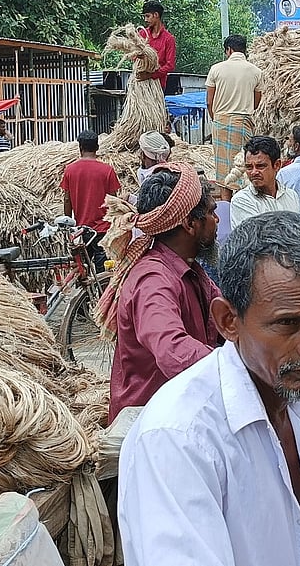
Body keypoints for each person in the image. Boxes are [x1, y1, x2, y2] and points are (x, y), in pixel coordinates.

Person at [118, 211, 300, 566]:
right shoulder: (179, 439)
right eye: (288, 323)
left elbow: (298, 548)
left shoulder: (294, 402)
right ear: (229, 321)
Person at [98, 163, 221, 423]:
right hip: (152, 424)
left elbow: (225, 314)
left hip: (181, 411)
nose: (217, 220)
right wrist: (235, 369)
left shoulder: (190, 269)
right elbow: (171, 348)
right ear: (189, 223)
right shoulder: (153, 280)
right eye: (212, 212)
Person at [206, 35, 263, 192]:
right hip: (243, 122)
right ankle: (243, 199)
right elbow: (256, 101)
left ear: (229, 50)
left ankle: (226, 203)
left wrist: (216, 118)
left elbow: (209, 101)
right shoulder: (256, 71)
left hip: (221, 121)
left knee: (223, 170)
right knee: (243, 165)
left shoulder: (216, 69)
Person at [61, 131, 121, 272]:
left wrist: (68, 224)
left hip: (81, 231)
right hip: (103, 230)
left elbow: (67, 199)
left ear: (80, 147)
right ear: (97, 147)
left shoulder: (70, 170)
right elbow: (114, 201)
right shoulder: (107, 170)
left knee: (83, 272)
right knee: (104, 274)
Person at [230, 136, 299, 230]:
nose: (254, 172)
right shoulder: (242, 200)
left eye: (260, 166)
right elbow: (254, 237)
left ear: (277, 165)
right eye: (249, 167)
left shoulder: (291, 196)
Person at [138, 0, 177, 89]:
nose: (145, 20)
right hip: (140, 84)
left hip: (158, 86)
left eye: (148, 16)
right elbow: (133, 55)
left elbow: (170, 65)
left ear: (156, 15)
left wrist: (151, 75)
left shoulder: (169, 39)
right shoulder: (142, 34)